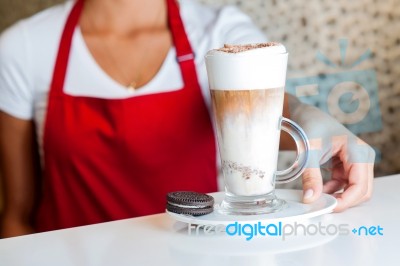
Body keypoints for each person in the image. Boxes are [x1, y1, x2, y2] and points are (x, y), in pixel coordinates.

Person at [0, 0, 375, 238]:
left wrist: (310, 118)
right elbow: (17, 215)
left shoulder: (219, 30)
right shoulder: (24, 48)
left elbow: (266, 106)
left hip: (199, 254)